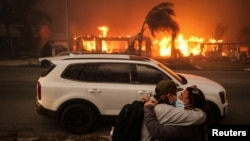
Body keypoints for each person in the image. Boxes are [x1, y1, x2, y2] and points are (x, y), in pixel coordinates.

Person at [141, 80, 207, 141]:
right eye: (177, 94)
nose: (178, 97)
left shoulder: (189, 127)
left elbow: (158, 131)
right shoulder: (169, 111)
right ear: (169, 95)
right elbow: (201, 115)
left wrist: (148, 106)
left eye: (182, 96)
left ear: (191, 105)